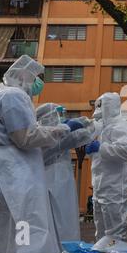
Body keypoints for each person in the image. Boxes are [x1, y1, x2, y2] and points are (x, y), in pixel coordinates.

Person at [0, 55, 84, 253]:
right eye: (36, 77)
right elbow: (25, 137)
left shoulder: (3, 95)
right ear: (24, 75)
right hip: (11, 175)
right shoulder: (13, 96)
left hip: (3, 173)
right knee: (25, 226)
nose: (38, 83)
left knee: (3, 230)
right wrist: (61, 129)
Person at [36, 103, 95, 243]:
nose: (62, 118)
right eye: (59, 114)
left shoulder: (51, 133)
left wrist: (77, 125)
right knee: (59, 223)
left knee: (65, 220)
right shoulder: (47, 136)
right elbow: (74, 138)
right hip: (53, 184)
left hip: (60, 183)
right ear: (49, 117)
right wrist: (91, 126)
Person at [85, 92, 127, 248]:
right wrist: (92, 150)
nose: (98, 118)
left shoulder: (122, 127)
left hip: (116, 185)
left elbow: (125, 152)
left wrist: (100, 148)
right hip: (101, 186)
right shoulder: (103, 129)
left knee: (115, 233)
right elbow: (101, 159)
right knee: (101, 234)